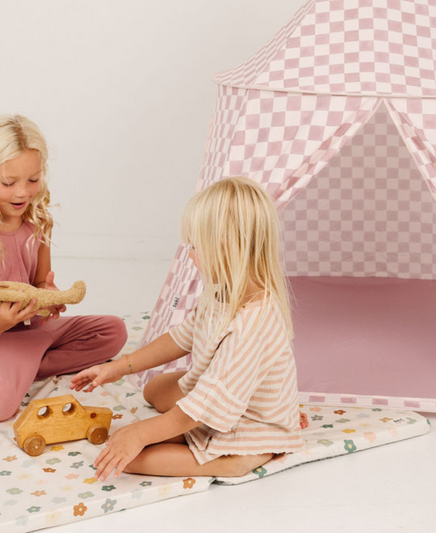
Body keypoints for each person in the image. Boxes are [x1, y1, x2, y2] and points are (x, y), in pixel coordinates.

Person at [71, 176, 305, 480]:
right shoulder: (220, 292)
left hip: (249, 423)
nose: (191, 255)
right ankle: (194, 416)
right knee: (154, 389)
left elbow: (208, 403)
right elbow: (183, 337)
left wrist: (141, 434)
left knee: (131, 460)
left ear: (227, 246)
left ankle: (237, 460)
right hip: (218, 394)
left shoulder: (253, 324)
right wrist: (118, 368)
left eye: (196, 246)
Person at [0, 114, 127, 422]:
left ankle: (28, 361)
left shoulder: (39, 222)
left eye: (33, 180)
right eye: (8, 183)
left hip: (32, 329)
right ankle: (21, 360)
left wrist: (49, 295)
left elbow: (39, 282)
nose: (22, 192)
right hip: (3, 332)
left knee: (113, 331)